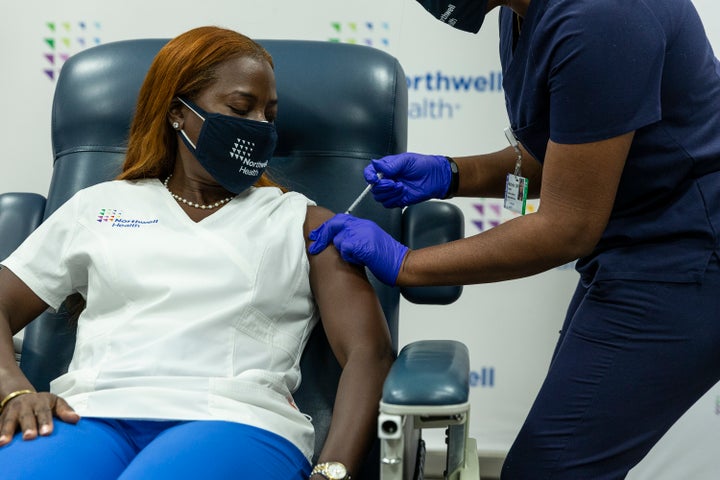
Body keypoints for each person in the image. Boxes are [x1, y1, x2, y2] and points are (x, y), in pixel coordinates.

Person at [309, 0, 720, 478]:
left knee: (549, 469)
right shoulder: (520, 12)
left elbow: (567, 227)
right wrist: (453, 174)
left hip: (690, 256)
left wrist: (406, 264)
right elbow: (567, 156)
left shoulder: (602, 15)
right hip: (635, 243)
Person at [0, 26, 393, 480]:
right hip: (86, 413)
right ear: (177, 114)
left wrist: (333, 469)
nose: (261, 128)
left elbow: (370, 352)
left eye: (270, 114)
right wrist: (13, 389)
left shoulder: (302, 221)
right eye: (241, 109)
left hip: (234, 420)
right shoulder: (99, 205)